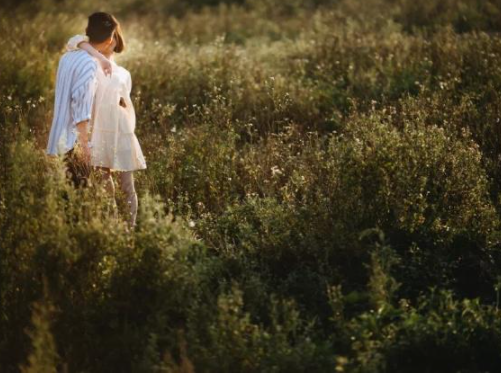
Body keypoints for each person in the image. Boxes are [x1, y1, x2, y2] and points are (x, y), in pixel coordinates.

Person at [66, 24, 147, 228]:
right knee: (104, 183)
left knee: (127, 184)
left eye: (115, 38)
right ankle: (111, 226)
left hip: (120, 128)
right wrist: (98, 56)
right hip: (98, 128)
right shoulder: (90, 63)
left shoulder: (124, 73)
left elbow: (125, 102)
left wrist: (130, 129)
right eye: (109, 38)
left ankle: (130, 228)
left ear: (118, 41)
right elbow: (72, 41)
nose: (111, 42)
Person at [46, 12, 117, 188]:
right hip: (72, 144)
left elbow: (74, 40)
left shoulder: (67, 56)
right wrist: (85, 147)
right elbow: (81, 108)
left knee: (63, 200)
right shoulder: (89, 64)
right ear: (109, 40)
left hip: (57, 140)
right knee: (78, 202)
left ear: (88, 32)